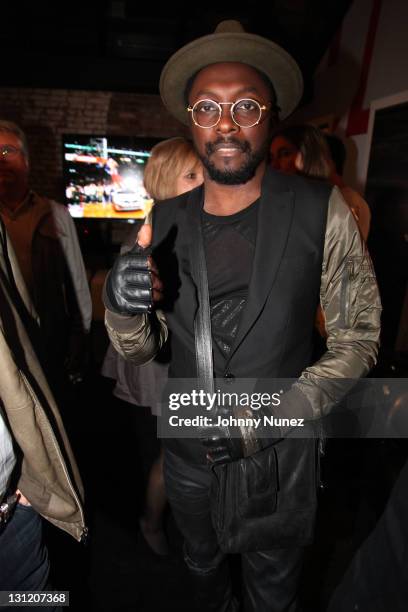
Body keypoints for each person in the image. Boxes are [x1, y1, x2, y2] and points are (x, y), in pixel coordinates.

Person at [103, 20, 381, 612]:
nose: (225, 122)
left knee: (273, 588)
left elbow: (358, 338)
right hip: (187, 455)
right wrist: (123, 309)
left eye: (245, 105)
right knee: (201, 572)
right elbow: (141, 348)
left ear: (270, 115)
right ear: (190, 119)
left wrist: (268, 420)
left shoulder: (321, 209)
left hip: (279, 459)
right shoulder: (166, 213)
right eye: (207, 107)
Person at [102, 137, 203, 555]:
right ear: (164, 182)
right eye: (192, 175)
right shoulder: (152, 237)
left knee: (174, 450)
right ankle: (152, 522)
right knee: (172, 454)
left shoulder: (187, 222)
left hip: (181, 363)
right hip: (162, 365)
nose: (204, 182)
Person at [0, 217, 86, 606]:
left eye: (12, 150)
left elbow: (19, 323)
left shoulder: (50, 217)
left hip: (13, 511)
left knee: (36, 600)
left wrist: (28, 476)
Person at [0, 121, 92, 384]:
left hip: (49, 340)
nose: (2, 160)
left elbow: (76, 281)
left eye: (8, 151)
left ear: (26, 161)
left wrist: (81, 335)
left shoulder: (56, 215)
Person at [271, 125, 371, 241]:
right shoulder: (313, 198)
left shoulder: (345, 202)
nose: (274, 165)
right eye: (271, 158)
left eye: (285, 154)